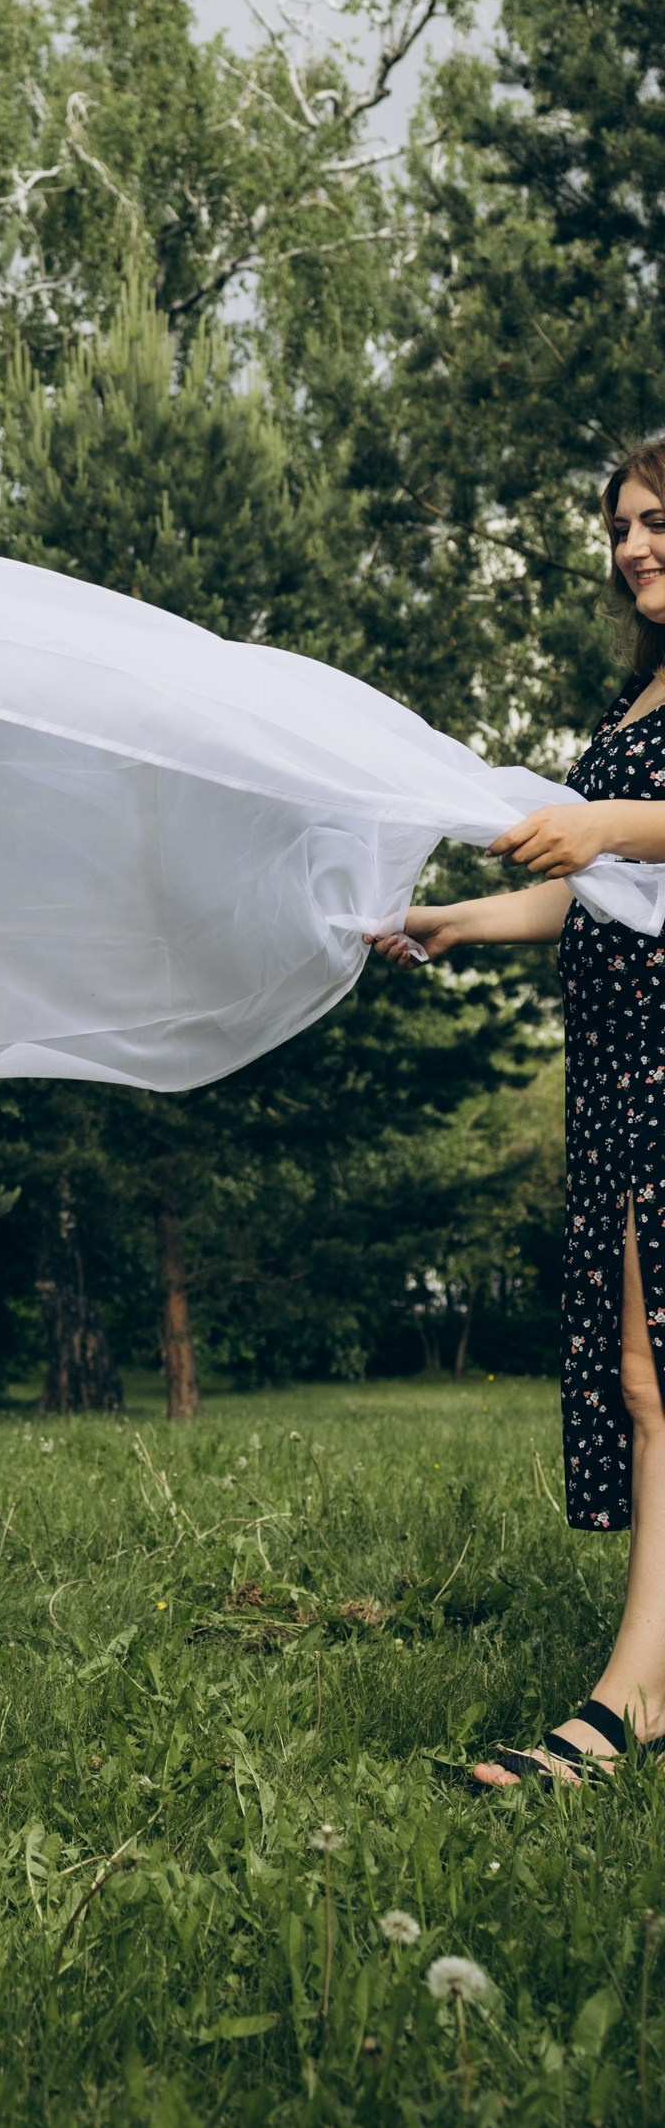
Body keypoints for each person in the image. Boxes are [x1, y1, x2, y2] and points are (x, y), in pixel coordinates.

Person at [371, 437, 665, 1784]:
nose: (633, 546)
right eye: (619, 527)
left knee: (661, 1376)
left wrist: (608, 827)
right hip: (614, 1065)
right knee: (641, 1373)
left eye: (657, 521)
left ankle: (624, 1703)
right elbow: (581, 888)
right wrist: (453, 920)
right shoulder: (632, 701)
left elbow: (617, 844)